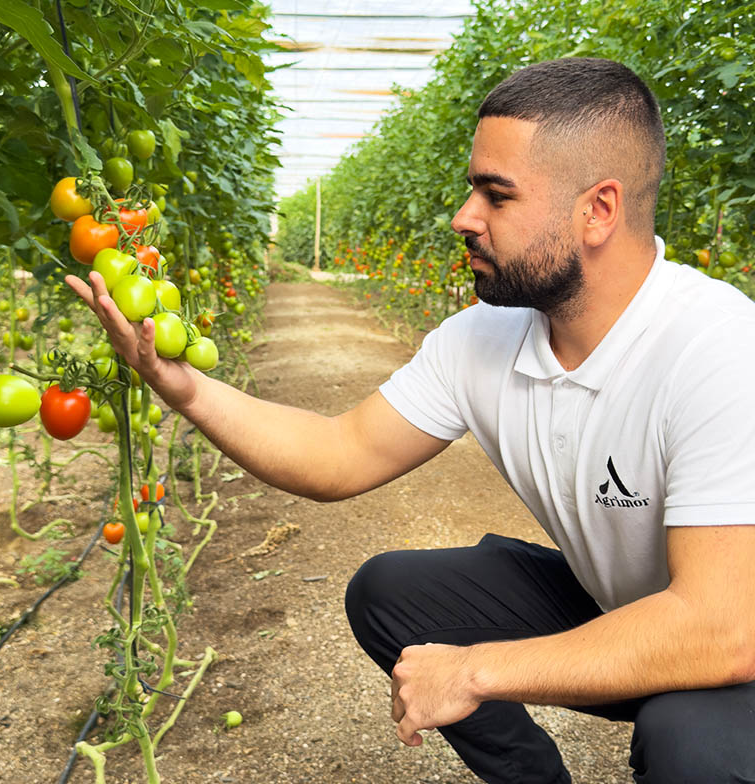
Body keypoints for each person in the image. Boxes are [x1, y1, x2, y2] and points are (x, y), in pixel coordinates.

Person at [67, 57, 755, 784]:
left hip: (731, 640)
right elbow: (337, 452)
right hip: (628, 608)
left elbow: (722, 627)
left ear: (598, 211)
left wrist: (476, 672)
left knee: (691, 742)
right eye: (471, 190)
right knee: (391, 595)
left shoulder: (718, 350)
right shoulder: (484, 339)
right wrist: (181, 386)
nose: (464, 217)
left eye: (496, 195)